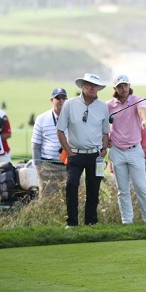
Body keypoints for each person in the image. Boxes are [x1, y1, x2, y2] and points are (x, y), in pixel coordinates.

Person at [56, 73, 109, 227]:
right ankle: (72, 222)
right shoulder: (70, 104)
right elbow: (60, 131)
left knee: (93, 189)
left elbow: (105, 132)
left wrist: (104, 149)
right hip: (75, 154)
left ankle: (91, 222)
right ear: (83, 87)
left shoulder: (102, 107)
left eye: (95, 85)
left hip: (95, 155)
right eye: (89, 85)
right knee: (71, 186)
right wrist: (68, 151)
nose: (93, 88)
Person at [106, 75, 146, 226]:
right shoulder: (108, 105)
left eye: (125, 85)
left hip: (135, 150)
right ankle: (127, 222)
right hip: (117, 150)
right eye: (120, 86)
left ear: (129, 85)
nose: (124, 89)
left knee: (141, 187)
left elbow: (142, 111)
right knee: (123, 190)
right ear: (115, 89)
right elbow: (102, 123)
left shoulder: (136, 99)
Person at [32, 87, 68, 197]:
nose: (61, 100)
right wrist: (39, 166)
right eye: (58, 98)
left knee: (75, 199)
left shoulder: (74, 117)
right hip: (49, 167)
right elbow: (36, 145)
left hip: (70, 165)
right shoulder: (42, 118)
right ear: (52, 100)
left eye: (63, 98)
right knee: (49, 201)